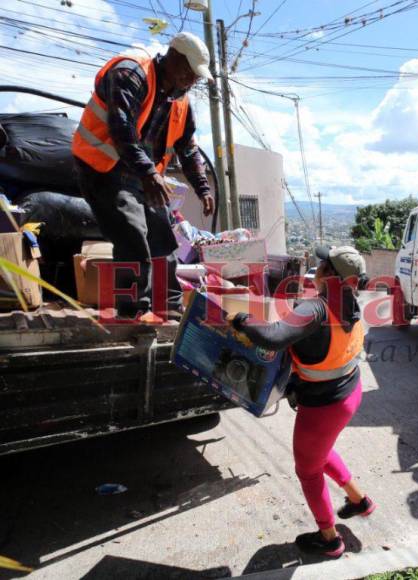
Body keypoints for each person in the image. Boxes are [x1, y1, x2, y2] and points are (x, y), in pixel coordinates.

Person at [229, 246, 375, 558]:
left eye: (322, 263)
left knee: (308, 471)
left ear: (329, 274)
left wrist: (241, 319)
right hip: (350, 392)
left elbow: (272, 336)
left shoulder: (316, 309)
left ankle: (329, 539)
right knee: (320, 453)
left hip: (324, 407)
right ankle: (359, 501)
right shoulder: (349, 302)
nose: (317, 267)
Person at [72, 32, 215, 319]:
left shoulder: (181, 101)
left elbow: (187, 148)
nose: (193, 80)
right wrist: (149, 171)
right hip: (103, 168)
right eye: (190, 72)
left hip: (142, 175)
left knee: (163, 236)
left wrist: (203, 187)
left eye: (197, 77)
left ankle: (169, 305)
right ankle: (132, 311)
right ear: (173, 58)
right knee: (132, 235)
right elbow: (121, 129)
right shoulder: (130, 72)